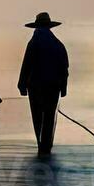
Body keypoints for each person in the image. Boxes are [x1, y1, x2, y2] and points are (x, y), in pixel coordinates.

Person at [17, 12, 68, 156]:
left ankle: (41, 144)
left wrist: (22, 85)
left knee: (37, 116)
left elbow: (26, 65)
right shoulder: (58, 45)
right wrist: (63, 88)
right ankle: (46, 144)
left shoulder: (33, 43)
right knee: (50, 116)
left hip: (35, 87)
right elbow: (64, 68)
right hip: (53, 87)